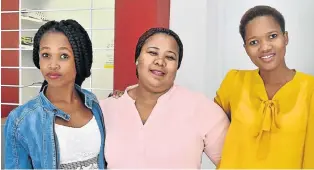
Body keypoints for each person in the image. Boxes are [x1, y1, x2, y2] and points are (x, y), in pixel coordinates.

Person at [100, 27, 230, 169]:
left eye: (170, 57)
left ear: (177, 66)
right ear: (137, 59)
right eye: (152, 52)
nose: (160, 61)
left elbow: (235, 163)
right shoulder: (105, 109)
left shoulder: (202, 109)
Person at [216, 5, 314, 169]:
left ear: (286, 38)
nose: (265, 47)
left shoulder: (310, 88)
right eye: (254, 42)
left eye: (272, 36)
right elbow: (204, 126)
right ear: (246, 48)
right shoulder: (234, 81)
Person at [4, 20, 106, 169]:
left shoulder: (93, 103)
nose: (53, 65)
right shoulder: (21, 120)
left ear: (79, 59)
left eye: (63, 56)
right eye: (46, 55)